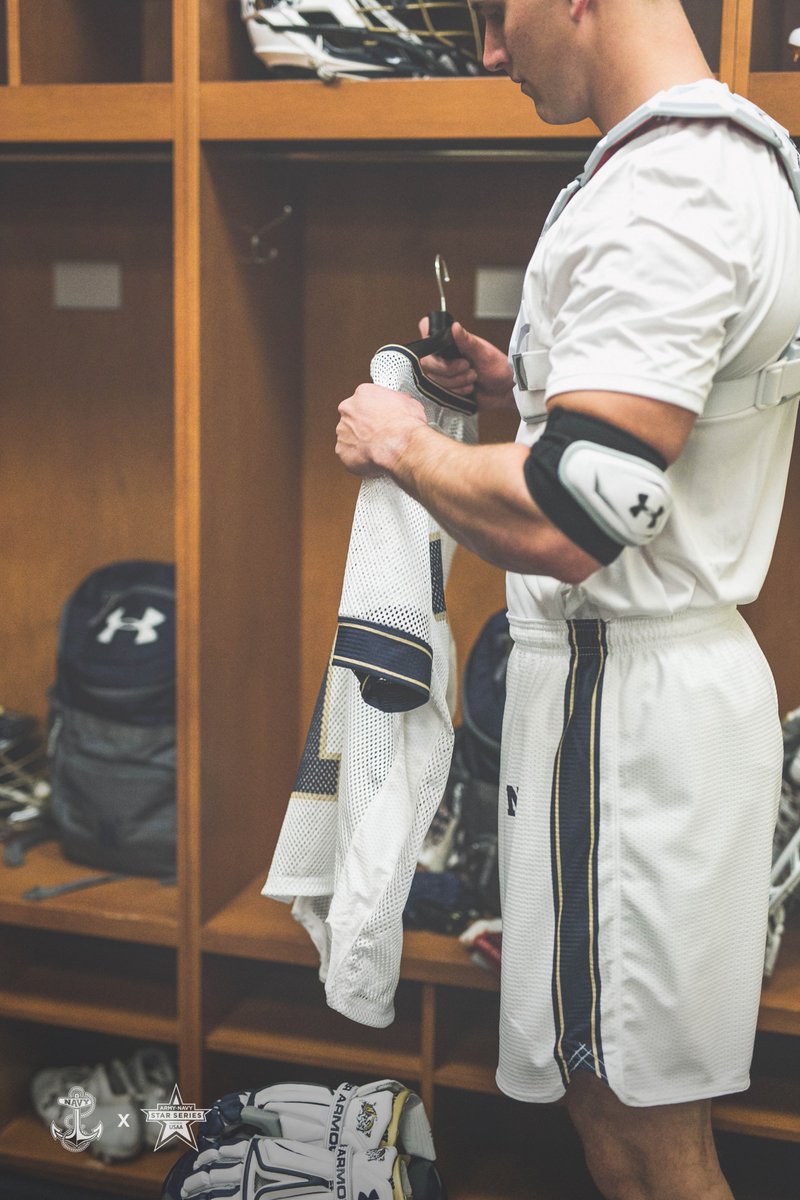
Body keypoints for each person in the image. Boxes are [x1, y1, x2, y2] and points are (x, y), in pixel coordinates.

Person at [335, 1, 800, 1197]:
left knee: (642, 1139)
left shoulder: (667, 191)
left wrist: (399, 443)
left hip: (627, 718)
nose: (487, 50)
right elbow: (636, 451)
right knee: (617, 1111)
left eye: (494, 12)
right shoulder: (710, 159)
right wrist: (527, 393)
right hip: (633, 700)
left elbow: (568, 518)